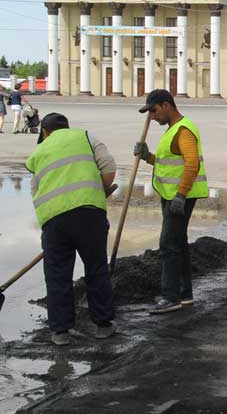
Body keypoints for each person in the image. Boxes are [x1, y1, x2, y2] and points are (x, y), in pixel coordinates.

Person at [24, 113, 118, 345]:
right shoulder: (85, 137)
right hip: (89, 214)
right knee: (96, 268)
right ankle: (103, 325)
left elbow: (35, 190)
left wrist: (50, 221)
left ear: (44, 131)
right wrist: (100, 190)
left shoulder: (39, 151)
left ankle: (60, 331)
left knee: (57, 275)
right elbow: (109, 167)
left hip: (54, 220)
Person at [134, 89, 208, 314]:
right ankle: (184, 295)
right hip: (171, 195)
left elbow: (191, 165)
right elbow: (169, 162)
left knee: (168, 245)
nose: (152, 116)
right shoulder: (172, 130)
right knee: (179, 245)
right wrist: (148, 157)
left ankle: (170, 296)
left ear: (167, 105)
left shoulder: (183, 131)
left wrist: (181, 195)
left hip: (179, 198)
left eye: (154, 111)